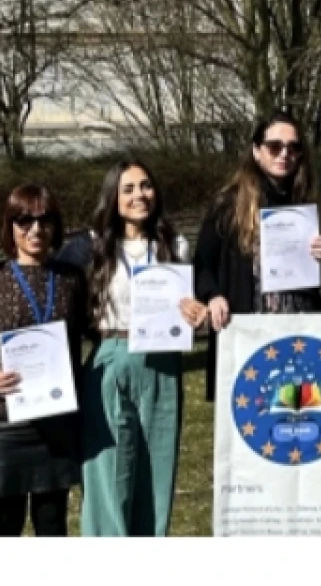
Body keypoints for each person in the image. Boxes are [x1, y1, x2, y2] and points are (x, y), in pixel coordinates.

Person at [59, 158, 206, 536]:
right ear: (113, 196)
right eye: (128, 188)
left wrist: (195, 312)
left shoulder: (176, 246)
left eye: (146, 186)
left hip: (162, 363)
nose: (140, 195)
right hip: (111, 357)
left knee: (156, 472)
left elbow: (196, 303)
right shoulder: (88, 248)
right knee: (109, 473)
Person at [0, 185, 90, 537]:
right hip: (4, 423)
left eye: (44, 220)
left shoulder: (70, 279)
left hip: (57, 422)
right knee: (5, 528)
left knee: (53, 526)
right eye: (24, 220)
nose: (35, 229)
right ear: (9, 226)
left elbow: (92, 328)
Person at [193, 111, 321, 400]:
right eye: (275, 146)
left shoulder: (305, 204)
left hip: (297, 337)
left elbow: (316, 285)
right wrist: (213, 295)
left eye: (293, 147)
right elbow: (202, 265)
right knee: (247, 428)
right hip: (246, 334)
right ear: (256, 151)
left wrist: (319, 260)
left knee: (295, 419)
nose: (285, 154)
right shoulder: (229, 203)